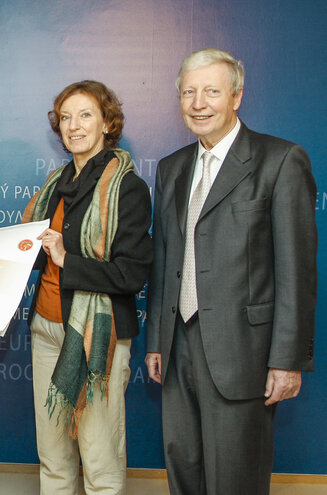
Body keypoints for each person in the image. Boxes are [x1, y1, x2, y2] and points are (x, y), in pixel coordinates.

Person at [145, 48, 317, 495]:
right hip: (178, 343)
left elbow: (297, 270)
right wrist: (157, 341)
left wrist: (287, 359)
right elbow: (164, 260)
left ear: (236, 97)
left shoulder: (280, 161)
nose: (198, 103)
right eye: (188, 92)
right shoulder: (172, 168)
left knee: (235, 476)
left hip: (247, 351)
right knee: (182, 464)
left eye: (211, 92)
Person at [22, 80, 152, 494]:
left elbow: (131, 275)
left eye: (85, 115)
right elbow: (38, 256)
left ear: (107, 123)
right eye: (65, 117)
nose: (74, 125)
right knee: (54, 456)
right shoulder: (54, 184)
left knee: (99, 458)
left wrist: (67, 260)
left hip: (100, 337)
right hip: (47, 329)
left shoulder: (127, 188)